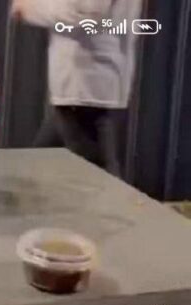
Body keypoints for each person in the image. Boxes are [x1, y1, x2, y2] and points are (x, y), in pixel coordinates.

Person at [11, 0, 142, 176]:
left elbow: (83, 10)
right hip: (88, 82)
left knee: (96, 178)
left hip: (86, 83)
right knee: (40, 163)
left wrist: (29, 8)